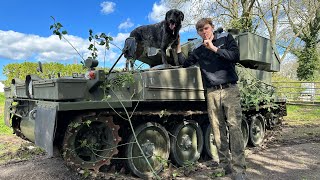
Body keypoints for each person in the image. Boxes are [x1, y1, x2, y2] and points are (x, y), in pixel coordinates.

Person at [176, 18, 246, 180]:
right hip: (212, 92)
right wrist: (178, 47)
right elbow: (185, 64)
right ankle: (225, 167)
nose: (204, 32)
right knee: (217, 130)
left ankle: (239, 170)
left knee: (234, 128)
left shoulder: (225, 38)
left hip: (229, 89)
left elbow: (235, 56)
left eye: (206, 28)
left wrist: (214, 48)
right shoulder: (199, 49)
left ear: (212, 28)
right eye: (200, 30)